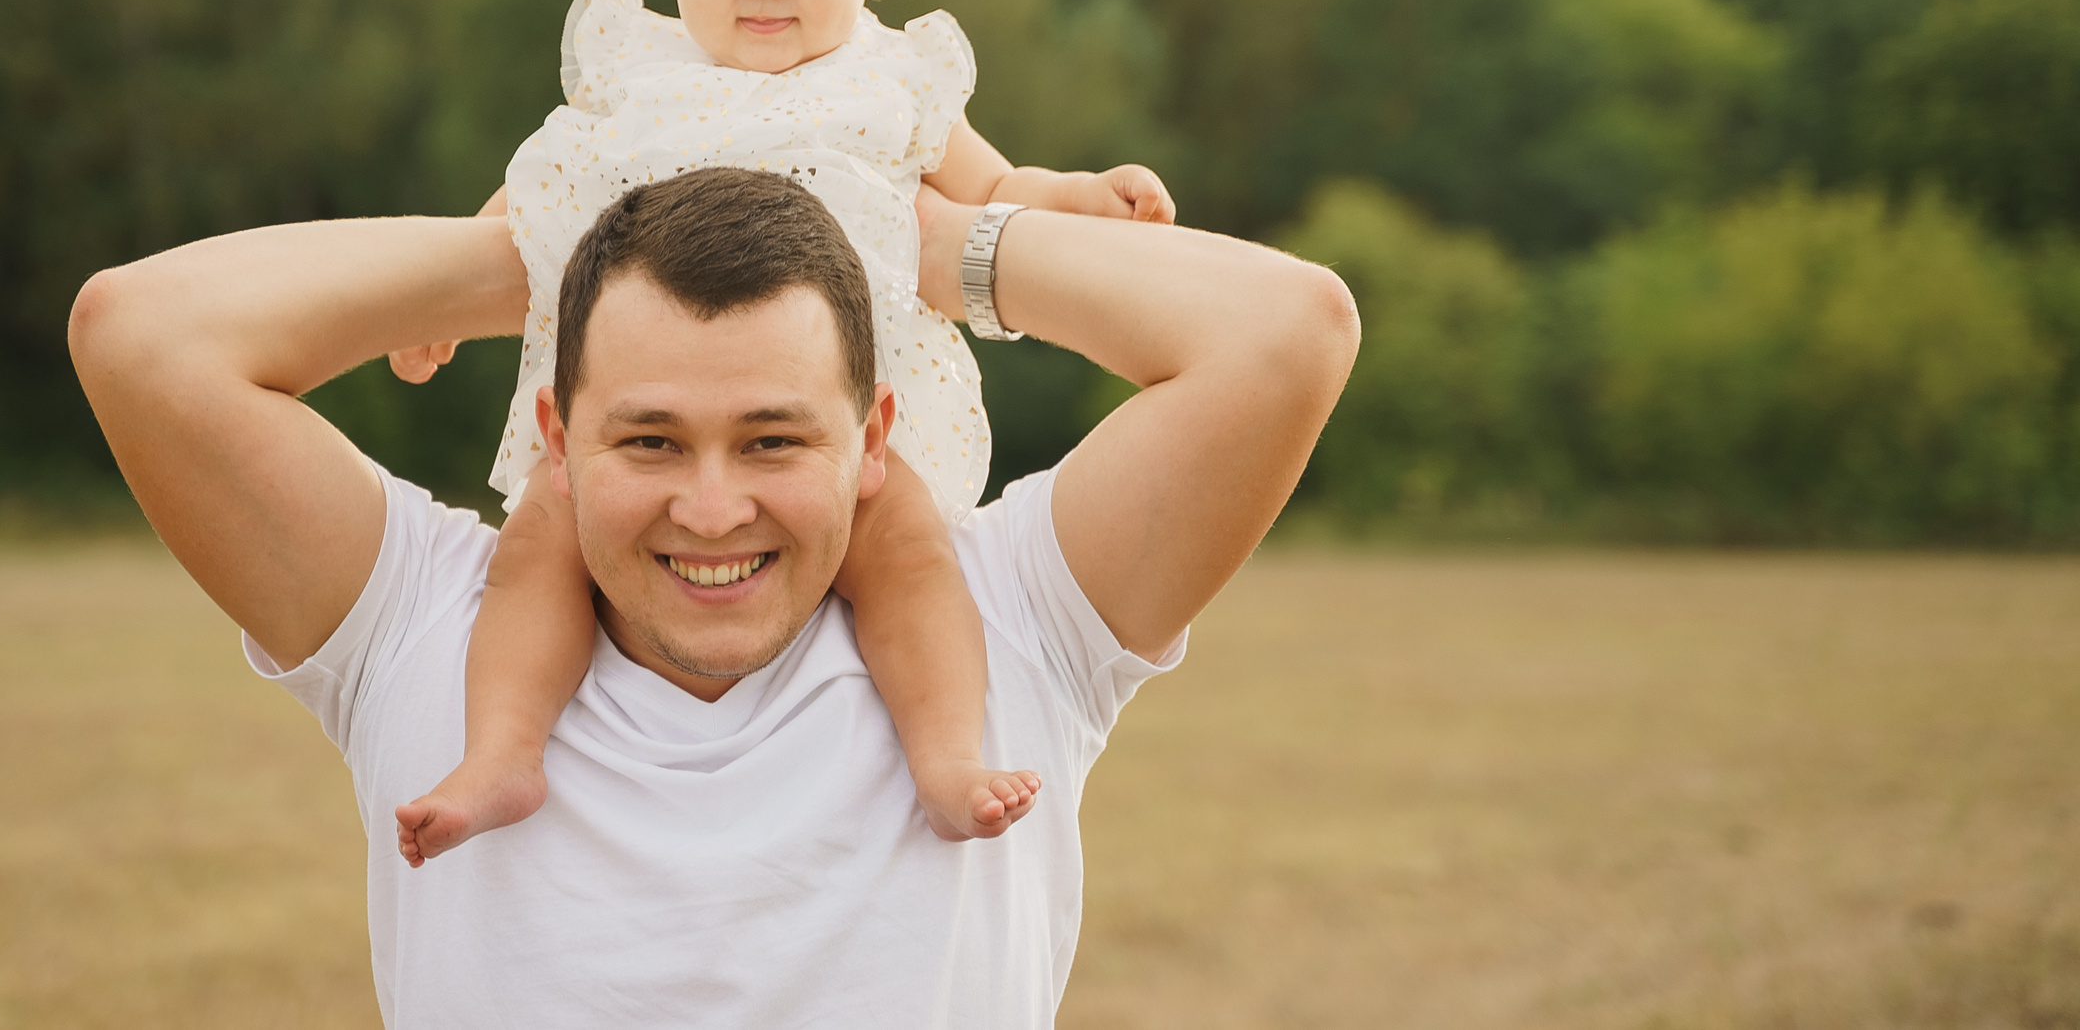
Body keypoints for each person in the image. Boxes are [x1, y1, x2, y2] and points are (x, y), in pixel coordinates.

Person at [68, 163, 1358, 1026]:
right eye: (648, 440)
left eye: (773, 439)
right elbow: (139, 334)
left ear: (874, 440)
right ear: (556, 439)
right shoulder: (426, 631)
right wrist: (520, 255)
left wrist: (937, 239)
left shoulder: (1009, 619)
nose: (710, 508)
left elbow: (1290, 331)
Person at [386, 0, 1177, 864]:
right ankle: (503, 750)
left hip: (837, 416)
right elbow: (532, 203)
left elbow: (995, 187)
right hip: (641, 417)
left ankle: (947, 753)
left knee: (905, 551)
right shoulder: (633, 75)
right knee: (535, 547)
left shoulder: (889, 81)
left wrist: (1080, 198)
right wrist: (437, 303)